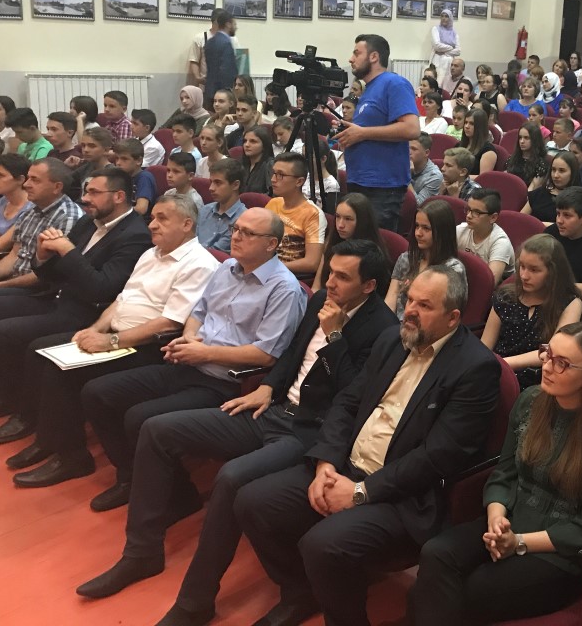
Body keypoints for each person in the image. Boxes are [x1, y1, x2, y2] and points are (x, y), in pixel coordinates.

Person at [77, 241, 398, 616]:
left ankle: (194, 602)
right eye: (331, 273)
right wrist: (268, 385)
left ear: (369, 286)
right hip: (274, 409)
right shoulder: (322, 300)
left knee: (231, 477)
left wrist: (335, 337)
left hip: (311, 431)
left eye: (343, 278)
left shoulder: (384, 329)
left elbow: (353, 397)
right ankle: (142, 552)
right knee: (156, 429)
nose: (331, 283)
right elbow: (292, 354)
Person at [231, 266, 500, 626]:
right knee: (252, 502)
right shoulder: (393, 339)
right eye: (409, 300)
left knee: (322, 545)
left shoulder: (475, 368)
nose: (410, 311)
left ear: (453, 318)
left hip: (403, 494)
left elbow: (438, 456)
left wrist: (361, 492)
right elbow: (347, 402)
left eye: (424, 305)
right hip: (345, 467)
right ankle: (300, 591)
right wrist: (326, 463)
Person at [77, 207, 307, 514]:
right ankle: (131, 476)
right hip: (188, 361)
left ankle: (179, 496)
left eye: (248, 233)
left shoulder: (284, 288)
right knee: (97, 393)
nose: (237, 236)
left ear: (271, 244)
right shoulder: (227, 268)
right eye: (236, 229)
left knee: (140, 417)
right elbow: (199, 312)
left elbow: (265, 354)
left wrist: (205, 352)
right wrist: (189, 337)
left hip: (225, 381)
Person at [414, 322, 582, 624]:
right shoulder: (531, 400)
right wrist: (497, 520)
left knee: (469, 588)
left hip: (559, 553)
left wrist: (518, 542)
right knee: (436, 553)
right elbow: (504, 474)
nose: (548, 367)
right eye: (547, 354)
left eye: (562, 363)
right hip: (511, 522)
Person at [6, 195, 218, 488]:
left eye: (162, 219)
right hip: (117, 336)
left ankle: (72, 457)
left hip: (150, 347)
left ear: (186, 224)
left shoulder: (200, 264)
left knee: (62, 370)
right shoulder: (151, 253)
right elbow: (121, 300)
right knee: (45, 352)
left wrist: (111, 341)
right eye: (152, 218)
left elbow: (170, 323)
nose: (152, 225)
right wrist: (94, 330)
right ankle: (49, 440)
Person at [0, 167, 152, 445]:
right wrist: (42, 256)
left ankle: (24, 414)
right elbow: (53, 274)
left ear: (118, 196)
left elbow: (102, 288)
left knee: (9, 332)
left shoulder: (135, 235)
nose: (85, 198)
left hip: (85, 312)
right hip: (56, 296)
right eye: (86, 191)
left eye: (94, 192)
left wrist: (67, 250)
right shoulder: (88, 222)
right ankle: (8, 398)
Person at [334, 34, 421, 231]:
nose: (351, 59)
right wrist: (349, 132)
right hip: (360, 181)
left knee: (374, 245)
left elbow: (412, 128)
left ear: (373, 57)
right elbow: (368, 131)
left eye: (357, 53)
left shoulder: (394, 83)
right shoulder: (369, 89)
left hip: (382, 187)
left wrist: (362, 133)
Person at [482, 233, 582, 378]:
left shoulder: (570, 303)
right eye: (522, 266)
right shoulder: (505, 296)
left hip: (538, 378)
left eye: (534, 270)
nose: (524, 275)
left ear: (553, 273)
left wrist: (502, 364)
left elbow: (552, 352)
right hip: (496, 371)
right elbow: (485, 345)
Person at [0, 158, 84, 291]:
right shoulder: (32, 210)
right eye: (28, 178)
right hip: (14, 282)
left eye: (35, 180)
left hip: (40, 291)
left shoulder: (68, 217)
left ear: (57, 187)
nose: (26, 184)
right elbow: (14, 255)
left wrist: (2, 286)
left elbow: (47, 275)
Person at [386, 200, 465, 319]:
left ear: (442, 232)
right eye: (417, 226)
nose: (418, 233)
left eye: (426, 228)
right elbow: (391, 297)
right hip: (398, 323)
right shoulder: (406, 258)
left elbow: (443, 315)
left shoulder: (453, 269)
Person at [265, 152, 328, 278]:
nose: (273, 179)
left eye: (281, 175)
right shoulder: (273, 203)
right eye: (274, 173)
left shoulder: (313, 214)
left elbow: (312, 263)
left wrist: (270, 268)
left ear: (299, 181)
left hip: (287, 276)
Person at [456, 188, 515, 285]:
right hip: (467, 280)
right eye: (468, 209)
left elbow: (490, 283)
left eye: (476, 212)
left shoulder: (501, 243)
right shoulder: (461, 230)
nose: (469, 216)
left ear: (493, 217)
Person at [196, 158, 245, 254]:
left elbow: (215, 253)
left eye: (218, 183)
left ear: (235, 185)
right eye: (211, 182)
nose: (211, 188)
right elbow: (192, 242)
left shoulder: (243, 219)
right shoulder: (205, 210)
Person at [113, 139, 159, 217]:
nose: (118, 163)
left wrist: (116, 214)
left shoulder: (144, 178)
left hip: (139, 221)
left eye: (124, 159)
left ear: (139, 160)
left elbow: (141, 209)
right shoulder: (121, 177)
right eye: (117, 158)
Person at [67, 126, 113, 202]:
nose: (86, 150)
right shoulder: (85, 168)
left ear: (106, 150)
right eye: (83, 145)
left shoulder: (113, 173)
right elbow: (66, 183)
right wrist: (66, 167)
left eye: (92, 146)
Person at [202, 9, 238, 101]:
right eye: (234, 24)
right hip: (223, 93)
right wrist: (230, 91)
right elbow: (227, 71)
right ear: (228, 24)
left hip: (209, 89)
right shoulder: (226, 43)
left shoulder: (209, 42)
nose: (236, 27)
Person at [505, 122, 549, 190]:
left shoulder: (541, 164)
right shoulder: (512, 159)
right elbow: (504, 180)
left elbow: (532, 189)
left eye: (526, 138)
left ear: (535, 140)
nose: (522, 141)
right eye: (520, 137)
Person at [0, 153, 32, 236]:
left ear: (20, 179)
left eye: (0, 176)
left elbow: (4, 242)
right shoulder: (2, 201)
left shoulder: (30, 210)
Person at [459, 108, 497, 175]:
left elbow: (482, 177)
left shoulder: (488, 150)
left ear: (480, 127)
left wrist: (457, 177)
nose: (466, 126)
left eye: (472, 124)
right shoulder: (459, 145)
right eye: (465, 122)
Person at [239, 126, 274, 196]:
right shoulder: (241, 165)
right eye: (245, 141)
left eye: (253, 141)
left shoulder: (270, 165)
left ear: (264, 145)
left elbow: (272, 193)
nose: (247, 145)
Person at [408, 133, 442, 205]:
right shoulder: (400, 164)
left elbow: (418, 204)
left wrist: (406, 177)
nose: (408, 152)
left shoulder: (434, 176)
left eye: (414, 149)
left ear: (426, 153)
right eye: (407, 147)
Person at [429, 9, 460, 83]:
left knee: (447, 83)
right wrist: (451, 47)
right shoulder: (436, 29)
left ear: (450, 18)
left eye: (446, 16)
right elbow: (437, 45)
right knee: (436, 82)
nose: (443, 18)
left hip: (449, 62)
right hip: (437, 61)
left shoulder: (454, 33)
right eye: (442, 16)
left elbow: (458, 51)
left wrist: (445, 52)